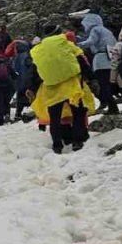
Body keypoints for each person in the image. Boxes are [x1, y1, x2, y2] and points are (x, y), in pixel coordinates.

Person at [30, 25, 97, 154]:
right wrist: (91, 78)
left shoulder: (39, 49)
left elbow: (35, 72)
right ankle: (77, 141)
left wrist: (31, 88)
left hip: (51, 88)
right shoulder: (66, 44)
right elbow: (81, 61)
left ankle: (57, 145)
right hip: (71, 84)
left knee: (55, 118)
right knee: (78, 113)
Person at [77, 13, 118, 114]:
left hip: (100, 60)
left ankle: (113, 107)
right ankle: (111, 105)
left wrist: (78, 44)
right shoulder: (107, 31)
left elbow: (91, 41)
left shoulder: (95, 30)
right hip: (109, 59)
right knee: (108, 83)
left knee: (103, 85)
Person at [8, 37, 37, 121]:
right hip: (26, 80)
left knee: (19, 98)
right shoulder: (27, 56)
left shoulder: (15, 57)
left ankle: (18, 114)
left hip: (18, 81)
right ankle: (36, 112)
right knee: (31, 96)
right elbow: (30, 68)